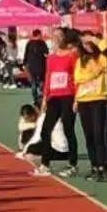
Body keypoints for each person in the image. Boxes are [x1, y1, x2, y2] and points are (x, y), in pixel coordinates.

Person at [33, 29, 78, 177]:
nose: (57, 38)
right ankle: (45, 164)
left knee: (68, 129)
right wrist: (45, 99)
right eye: (55, 36)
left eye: (60, 36)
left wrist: (76, 99)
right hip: (54, 97)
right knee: (46, 129)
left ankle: (72, 164)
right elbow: (48, 77)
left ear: (65, 38)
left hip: (68, 96)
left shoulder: (72, 56)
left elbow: (76, 78)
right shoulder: (50, 58)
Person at [74, 34, 107, 179]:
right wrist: (95, 72)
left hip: (99, 98)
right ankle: (94, 165)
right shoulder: (80, 61)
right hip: (84, 99)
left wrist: (95, 39)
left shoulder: (102, 57)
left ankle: (103, 166)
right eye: (84, 43)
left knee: (99, 135)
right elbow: (78, 78)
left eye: (89, 43)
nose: (87, 46)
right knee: (88, 135)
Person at [23, 28, 49, 106]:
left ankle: (35, 99)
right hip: (41, 66)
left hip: (31, 66)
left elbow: (26, 54)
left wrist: (24, 63)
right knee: (41, 83)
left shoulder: (29, 43)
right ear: (39, 35)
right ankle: (41, 99)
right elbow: (46, 53)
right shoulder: (42, 43)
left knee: (33, 83)